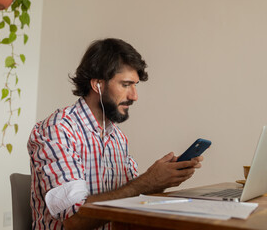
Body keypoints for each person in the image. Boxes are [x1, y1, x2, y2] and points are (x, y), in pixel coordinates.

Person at [27, 38, 203, 230]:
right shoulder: (57, 129)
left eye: (135, 85)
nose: (134, 96)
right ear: (97, 85)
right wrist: (148, 181)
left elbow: (130, 198)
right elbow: (74, 219)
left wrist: (161, 180)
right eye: (126, 85)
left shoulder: (117, 138)